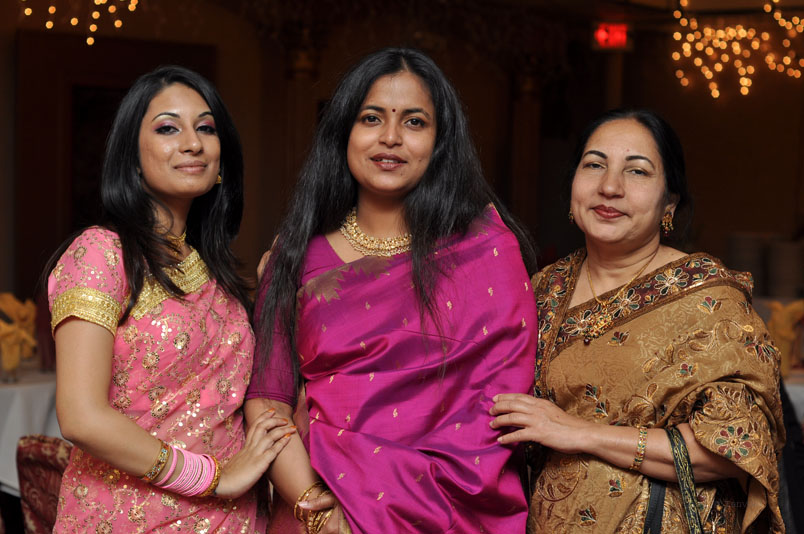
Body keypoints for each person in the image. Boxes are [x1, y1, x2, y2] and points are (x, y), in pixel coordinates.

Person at [245, 47, 539, 533]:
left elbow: (501, 408)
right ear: (344, 132)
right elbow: (268, 403)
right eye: (371, 118)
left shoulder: (486, 252)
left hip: (452, 515)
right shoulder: (294, 257)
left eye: (414, 122)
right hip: (319, 508)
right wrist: (318, 509)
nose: (391, 137)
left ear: (440, 141)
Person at [491, 109, 785, 533]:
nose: (610, 187)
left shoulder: (707, 297)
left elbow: (734, 447)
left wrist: (581, 433)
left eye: (637, 171)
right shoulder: (541, 290)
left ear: (670, 202)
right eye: (594, 165)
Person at [46, 65, 294, 533]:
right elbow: (81, 416)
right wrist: (213, 478)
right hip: (129, 518)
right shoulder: (101, 253)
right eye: (167, 128)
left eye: (206, 128)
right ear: (132, 157)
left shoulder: (218, 276)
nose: (193, 143)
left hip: (234, 519)